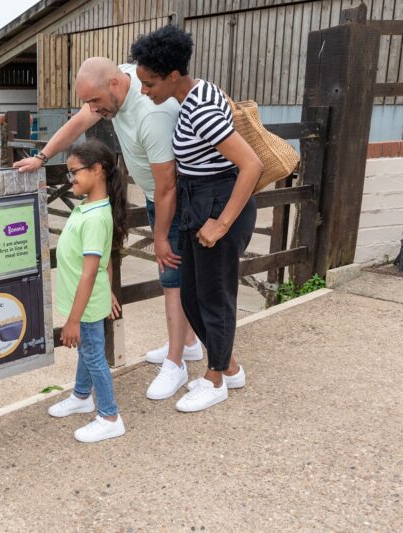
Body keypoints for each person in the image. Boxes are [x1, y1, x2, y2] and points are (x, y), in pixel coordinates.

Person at [15, 57, 202, 402]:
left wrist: (160, 236)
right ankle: (187, 343)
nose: (91, 109)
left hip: (173, 197)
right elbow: (78, 121)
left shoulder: (152, 115)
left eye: (95, 102)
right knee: (170, 276)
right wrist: (42, 157)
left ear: (114, 86)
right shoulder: (114, 88)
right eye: (88, 101)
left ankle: (176, 364)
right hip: (154, 192)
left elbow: (168, 186)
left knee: (172, 277)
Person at [132, 25, 262, 412]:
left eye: (149, 83)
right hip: (199, 200)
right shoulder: (198, 91)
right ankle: (230, 367)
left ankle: (216, 379)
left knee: (214, 297)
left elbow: (250, 165)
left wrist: (220, 223)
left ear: (173, 76)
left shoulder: (200, 107)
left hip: (218, 202)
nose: (144, 91)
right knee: (191, 294)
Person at [47, 139, 128, 443]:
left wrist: (72, 320)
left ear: (97, 171)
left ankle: (109, 415)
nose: (71, 180)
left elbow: (91, 270)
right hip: (86, 301)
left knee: (94, 355)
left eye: (75, 172)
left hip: (85, 306)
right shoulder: (88, 207)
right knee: (88, 351)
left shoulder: (94, 217)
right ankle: (82, 396)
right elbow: (104, 259)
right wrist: (108, 291)